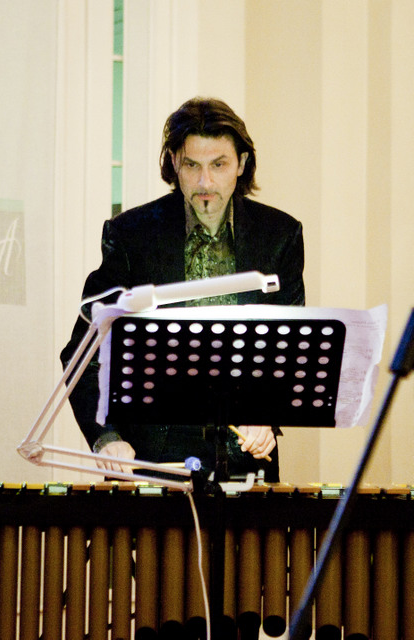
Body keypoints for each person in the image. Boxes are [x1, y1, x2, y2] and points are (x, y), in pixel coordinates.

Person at [60, 97, 305, 482]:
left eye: (219, 165)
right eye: (192, 165)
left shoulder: (279, 236)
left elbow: (289, 347)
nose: (205, 182)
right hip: (150, 458)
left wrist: (266, 415)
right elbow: (83, 352)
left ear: (241, 164)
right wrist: (107, 438)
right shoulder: (132, 235)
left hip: (243, 457)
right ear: (174, 162)